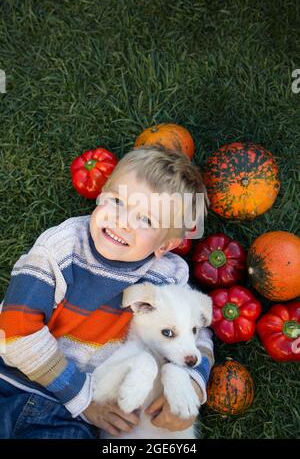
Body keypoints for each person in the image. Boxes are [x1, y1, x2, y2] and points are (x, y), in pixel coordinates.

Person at [0, 144, 214, 439]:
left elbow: (196, 332)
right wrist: (84, 399)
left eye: (146, 220)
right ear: (101, 195)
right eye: (117, 201)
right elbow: (16, 329)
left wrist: (191, 382)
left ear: (164, 246)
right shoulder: (61, 248)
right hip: (10, 382)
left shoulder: (166, 276)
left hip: (67, 418)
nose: (122, 221)